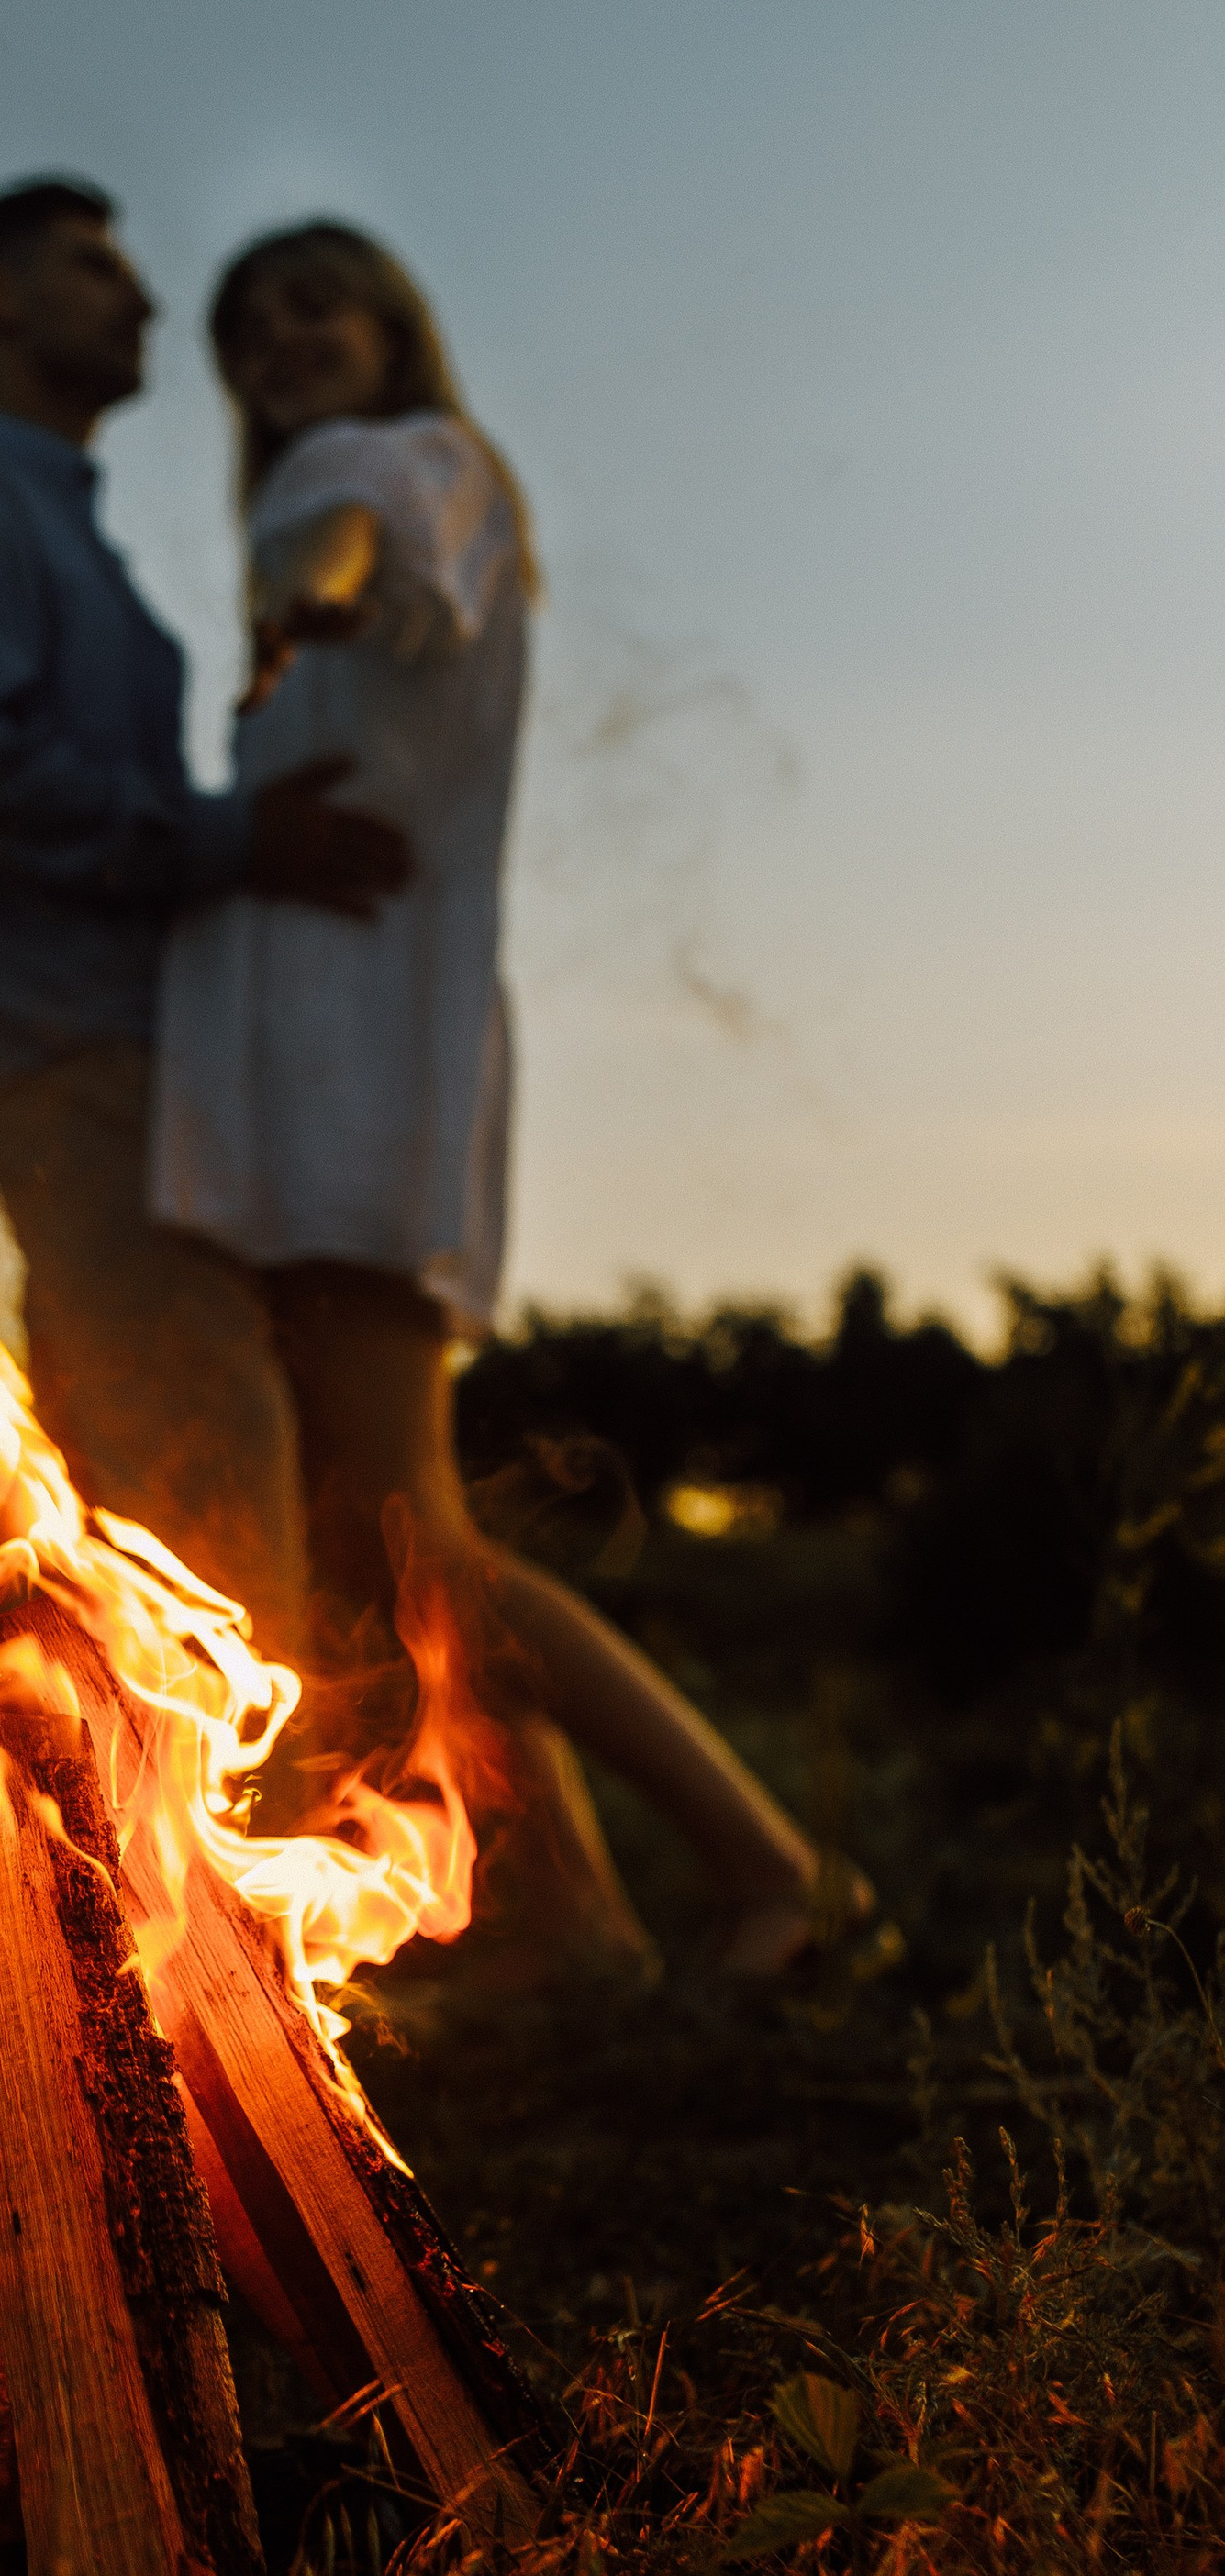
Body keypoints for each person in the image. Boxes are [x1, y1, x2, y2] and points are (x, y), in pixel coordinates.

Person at [152, 220, 858, 1976]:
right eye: (244, 330)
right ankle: (588, 1943)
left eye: (314, 301)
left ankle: (778, 1866)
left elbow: (352, 534)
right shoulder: (365, 486)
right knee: (384, 1545)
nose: (278, 341)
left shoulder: (396, 465)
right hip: (326, 1079)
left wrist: (305, 583)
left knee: (421, 1547)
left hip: (360, 1084)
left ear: (396, 325)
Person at [0, 178, 409, 1657]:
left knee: (187, 1487)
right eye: (97, 268)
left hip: (143, 1061)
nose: (147, 300)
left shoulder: (71, 539)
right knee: (205, 1496)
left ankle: (182, 1868)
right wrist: (237, 835)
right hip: (67, 1050)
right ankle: (218, 1880)